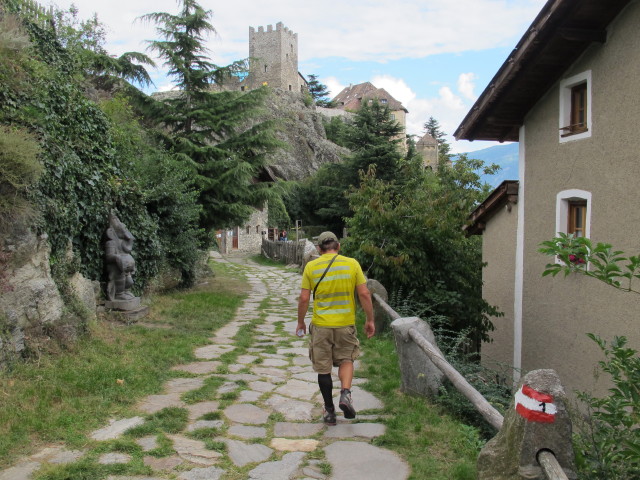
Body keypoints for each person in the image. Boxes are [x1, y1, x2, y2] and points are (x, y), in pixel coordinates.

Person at [296, 231, 375, 425]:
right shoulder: (352, 264)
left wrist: (300, 322)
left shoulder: (311, 267)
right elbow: (364, 294)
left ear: (319, 249)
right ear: (338, 246)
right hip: (345, 324)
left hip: (321, 326)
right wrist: (370, 319)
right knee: (347, 359)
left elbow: (304, 298)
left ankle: (329, 412)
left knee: (323, 369)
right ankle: (345, 394)